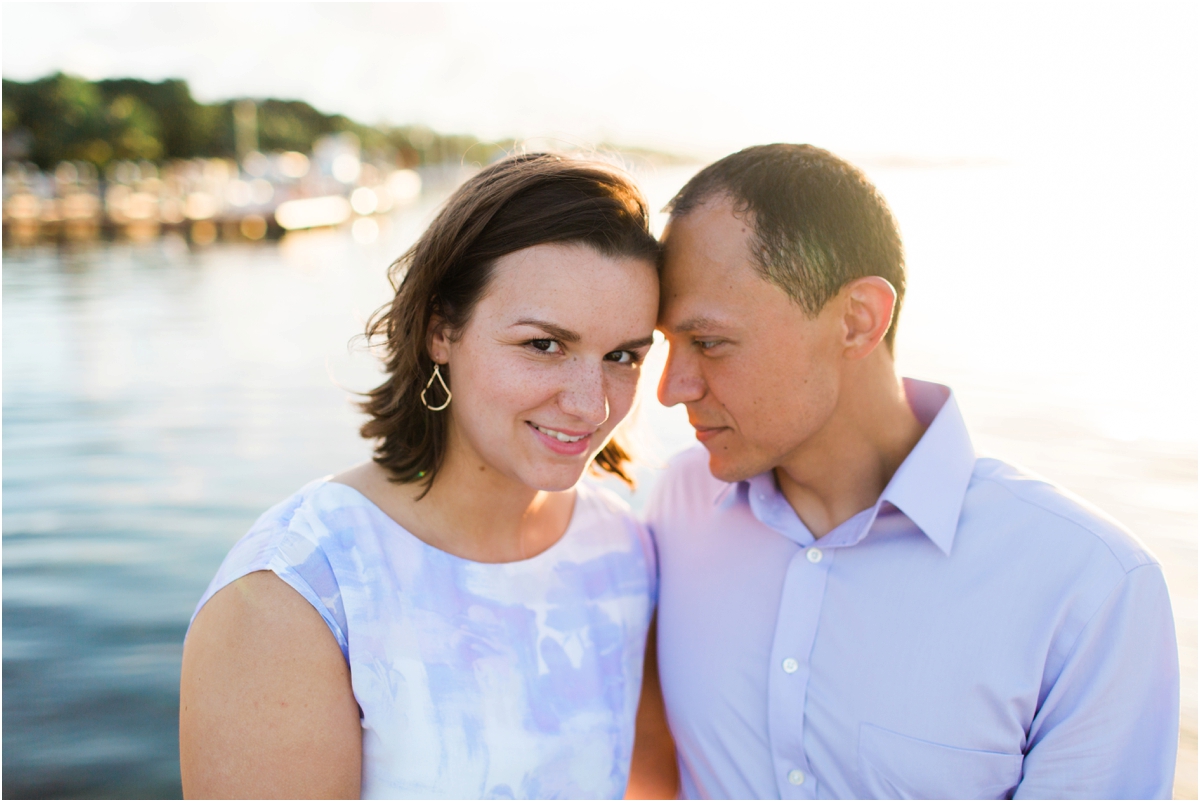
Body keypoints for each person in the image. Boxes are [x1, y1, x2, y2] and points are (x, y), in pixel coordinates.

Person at [636, 144, 1180, 799]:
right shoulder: (673, 508)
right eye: (666, 344)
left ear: (857, 320)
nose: (670, 388)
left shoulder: (1089, 588)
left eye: (710, 342)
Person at [180, 153, 665, 799]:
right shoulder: (298, 589)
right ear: (442, 329)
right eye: (543, 345)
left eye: (622, 356)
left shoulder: (624, 551)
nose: (591, 404)